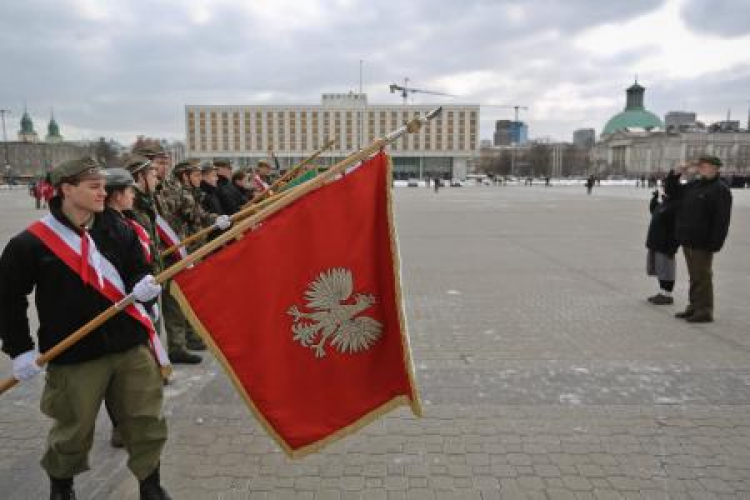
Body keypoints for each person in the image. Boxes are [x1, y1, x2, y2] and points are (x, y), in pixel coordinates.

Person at [0, 157, 171, 499]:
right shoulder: (32, 243)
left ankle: (150, 484)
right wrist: (20, 349)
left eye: (103, 187)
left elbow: (139, 269)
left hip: (129, 345)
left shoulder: (117, 229)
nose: (102, 193)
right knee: (73, 429)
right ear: (66, 189)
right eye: (93, 187)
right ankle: (62, 486)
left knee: (145, 420)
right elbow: (8, 297)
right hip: (75, 353)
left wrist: (145, 287)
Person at [673, 155, 732, 323]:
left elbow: (722, 220)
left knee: (703, 276)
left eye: (703, 166)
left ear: (714, 168)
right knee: (694, 276)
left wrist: (715, 243)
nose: (700, 168)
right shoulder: (695, 185)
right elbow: (673, 191)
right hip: (688, 238)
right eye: (699, 166)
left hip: (703, 241)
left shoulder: (720, 189)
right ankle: (693, 306)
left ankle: (705, 310)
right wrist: (679, 172)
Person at [645, 171, 681, 305]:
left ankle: (667, 295)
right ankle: (662, 292)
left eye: (665, 185)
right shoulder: (666, 201)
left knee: (667, 270)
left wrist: (673, 245)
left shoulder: (676, 204)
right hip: (656, 241)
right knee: (660, 269)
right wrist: (654, 200)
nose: (663, 188)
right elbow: (656, 213)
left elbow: (676, 226)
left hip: (666, 243)